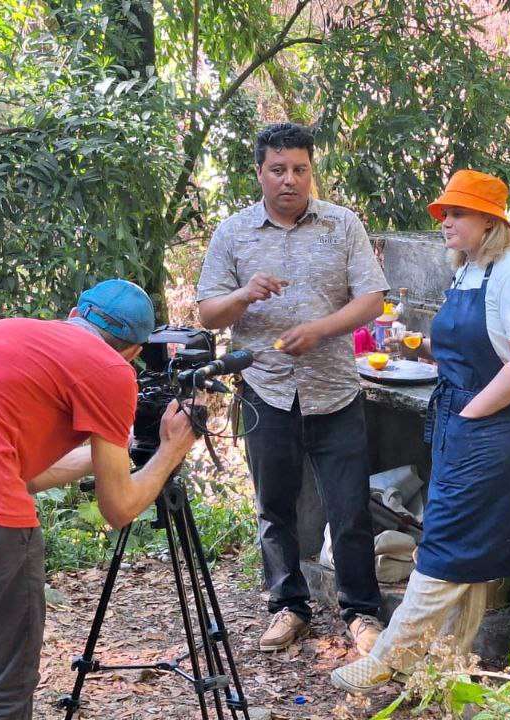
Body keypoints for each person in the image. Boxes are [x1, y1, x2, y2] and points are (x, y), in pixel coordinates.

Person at [0, 279, 199, 720]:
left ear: (75, 315)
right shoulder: (109, 368)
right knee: (2, 689)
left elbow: (16, 469)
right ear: (134, 352)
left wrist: (104, 459)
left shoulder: (7, 334)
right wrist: (170, 451)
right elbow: (118, 509)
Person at [330, 169, 510, 693]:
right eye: (446, 214)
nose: (446, 223)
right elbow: (470, 345)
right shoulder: (470, 270)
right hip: (461, 412)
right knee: (469, 544)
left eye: (456, 214)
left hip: (496, 421)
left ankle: (390, 656)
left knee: (447, 539)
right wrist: (420, 345)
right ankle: (448, 662)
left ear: (488, 220)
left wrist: (474, 415)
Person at [196, 122, 388, 654]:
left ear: (311, 171)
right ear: (259, 172)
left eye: (299, 169)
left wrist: (321, 330)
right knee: (273, 507)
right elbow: (208, 313)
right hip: (265, 390)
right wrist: (243, 296)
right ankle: (288, 607)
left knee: (349, 507)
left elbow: (372, 298)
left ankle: (362, 614)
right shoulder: (234, 233)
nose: (289, 180)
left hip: (334, 389)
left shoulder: (341, 224)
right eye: (278, 169)